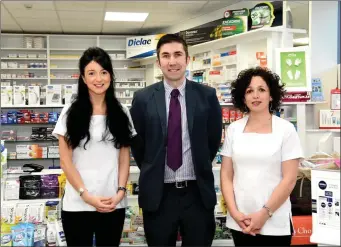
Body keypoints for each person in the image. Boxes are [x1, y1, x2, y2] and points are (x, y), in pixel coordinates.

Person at [130, 34, 222, 246]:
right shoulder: (143, 98)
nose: (172, 61)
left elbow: (212, 141)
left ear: (187, 59)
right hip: (159, 196)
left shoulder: (206, 95)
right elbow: (139, 144)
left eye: (178, 54)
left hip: (197, 194)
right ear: (158, 62)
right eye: (166, 55)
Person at [52, 47, 136, 247]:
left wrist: (121, 192)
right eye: (91, 73)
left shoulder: (121, 111)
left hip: (112, 202)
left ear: (110, 76)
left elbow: (124, 157)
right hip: (78, 203)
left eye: (103, 72)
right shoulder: (70, 112)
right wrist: (86, 195)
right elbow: (65, 161)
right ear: (83, 78)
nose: (98, 79)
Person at [220, 67, 303, 246]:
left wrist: (264, 213)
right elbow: (226, 175)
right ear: (243, 97)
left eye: (261, 90)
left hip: (274, 221)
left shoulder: (285, 129)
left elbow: (289, 179)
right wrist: (234, 213)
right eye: (249, 91)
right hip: (240, 221)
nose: (255, 95)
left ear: (271, 95)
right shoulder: (234, 129)